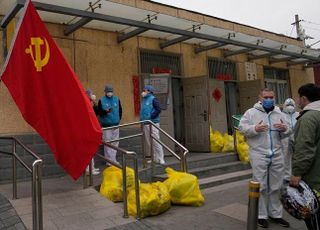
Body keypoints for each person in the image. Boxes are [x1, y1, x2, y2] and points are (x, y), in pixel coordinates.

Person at [239, 88, 290, 228]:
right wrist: (255, 128)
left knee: (276, 185)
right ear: (260, 97)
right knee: (260, 186)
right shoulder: (251, 113)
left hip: (277, 153)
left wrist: (284, 129)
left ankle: (276, 215)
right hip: (258, 153)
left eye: (271, 97)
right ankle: (261, 216)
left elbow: (289, 131)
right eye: (266, 97)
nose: (269, 99)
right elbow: (242, 128)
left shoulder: (279, 112)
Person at [290, 83, 320, 230]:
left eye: (298, 98)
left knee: (315, 217)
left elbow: (304, 148)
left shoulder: (308, 118)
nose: (297, 101)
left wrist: (297, 173)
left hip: (315, 179)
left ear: (304, 98)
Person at [140, 85, 165, 165]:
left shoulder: (153, 99)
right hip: (145, 123)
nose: (143, 91)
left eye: (145, 90)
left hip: (153, 123)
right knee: (149, 141)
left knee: (156, 140)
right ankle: (154, 158)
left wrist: (151, 117)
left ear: (149, 91)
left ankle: (161, 158)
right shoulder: (144, 100)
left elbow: (158, 109)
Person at [98, 85, 122, 164]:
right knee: (107, 143)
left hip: (115, 124)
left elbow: (120, 110)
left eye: (111, 91)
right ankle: (109, 161)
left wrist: (118, 120)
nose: (109, 93)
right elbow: (99, 112)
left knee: (115, 142)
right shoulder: (101, 100)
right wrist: (105, 112)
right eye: (108, 91)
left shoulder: (116, 99)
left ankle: (113, 159)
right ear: (105, 92)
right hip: (106, 125)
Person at [281, 98, 299, 180]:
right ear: (284, 106)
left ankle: (297, 175)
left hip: (297, 139)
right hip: (285, 140)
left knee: (298, 158)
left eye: (291, 105)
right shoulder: (281, 115)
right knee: (286, 158)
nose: (290, 107)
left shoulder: (298, 114)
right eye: (288, 105)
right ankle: (287, 177)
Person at [85, 89, 100, 175]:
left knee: (92, 150)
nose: (93, 95)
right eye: (91, 94)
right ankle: (88, 169)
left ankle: (92, 167)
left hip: (91, 130)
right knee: (89, 150)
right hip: (87, 130)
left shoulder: (90, 103)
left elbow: (96, 112)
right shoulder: (86, 103)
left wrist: (94, 102)